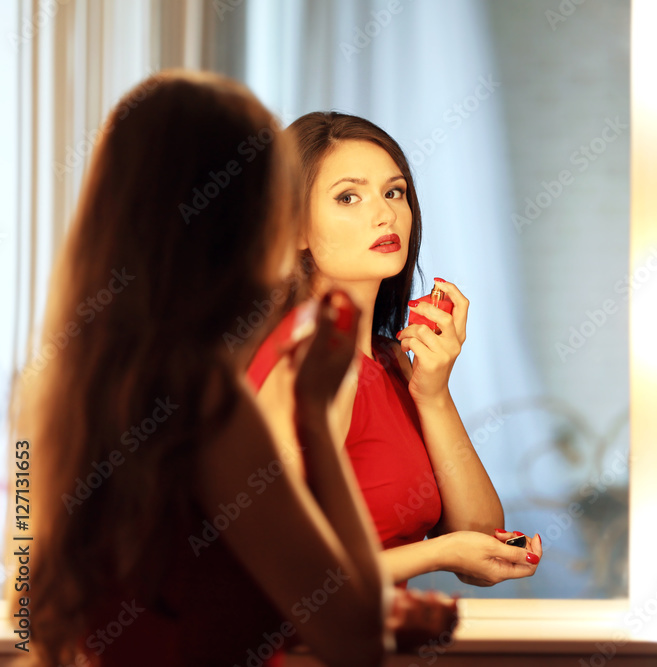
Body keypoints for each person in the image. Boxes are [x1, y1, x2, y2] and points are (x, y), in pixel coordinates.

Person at [14, 71, 454, 667]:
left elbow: (29, 612)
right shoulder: (209, 408)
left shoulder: (51, 394)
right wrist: (317, 424)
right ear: (244, 220)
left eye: (394, 192)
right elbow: (353, 639)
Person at [249, 112, 542, 587]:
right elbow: (279, 568)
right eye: (349, 196)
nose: (384, 214)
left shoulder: (387, 360)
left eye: (394, 192)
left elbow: (482, 538)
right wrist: (438, 554)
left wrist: (433, 394)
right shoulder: (312, 360)